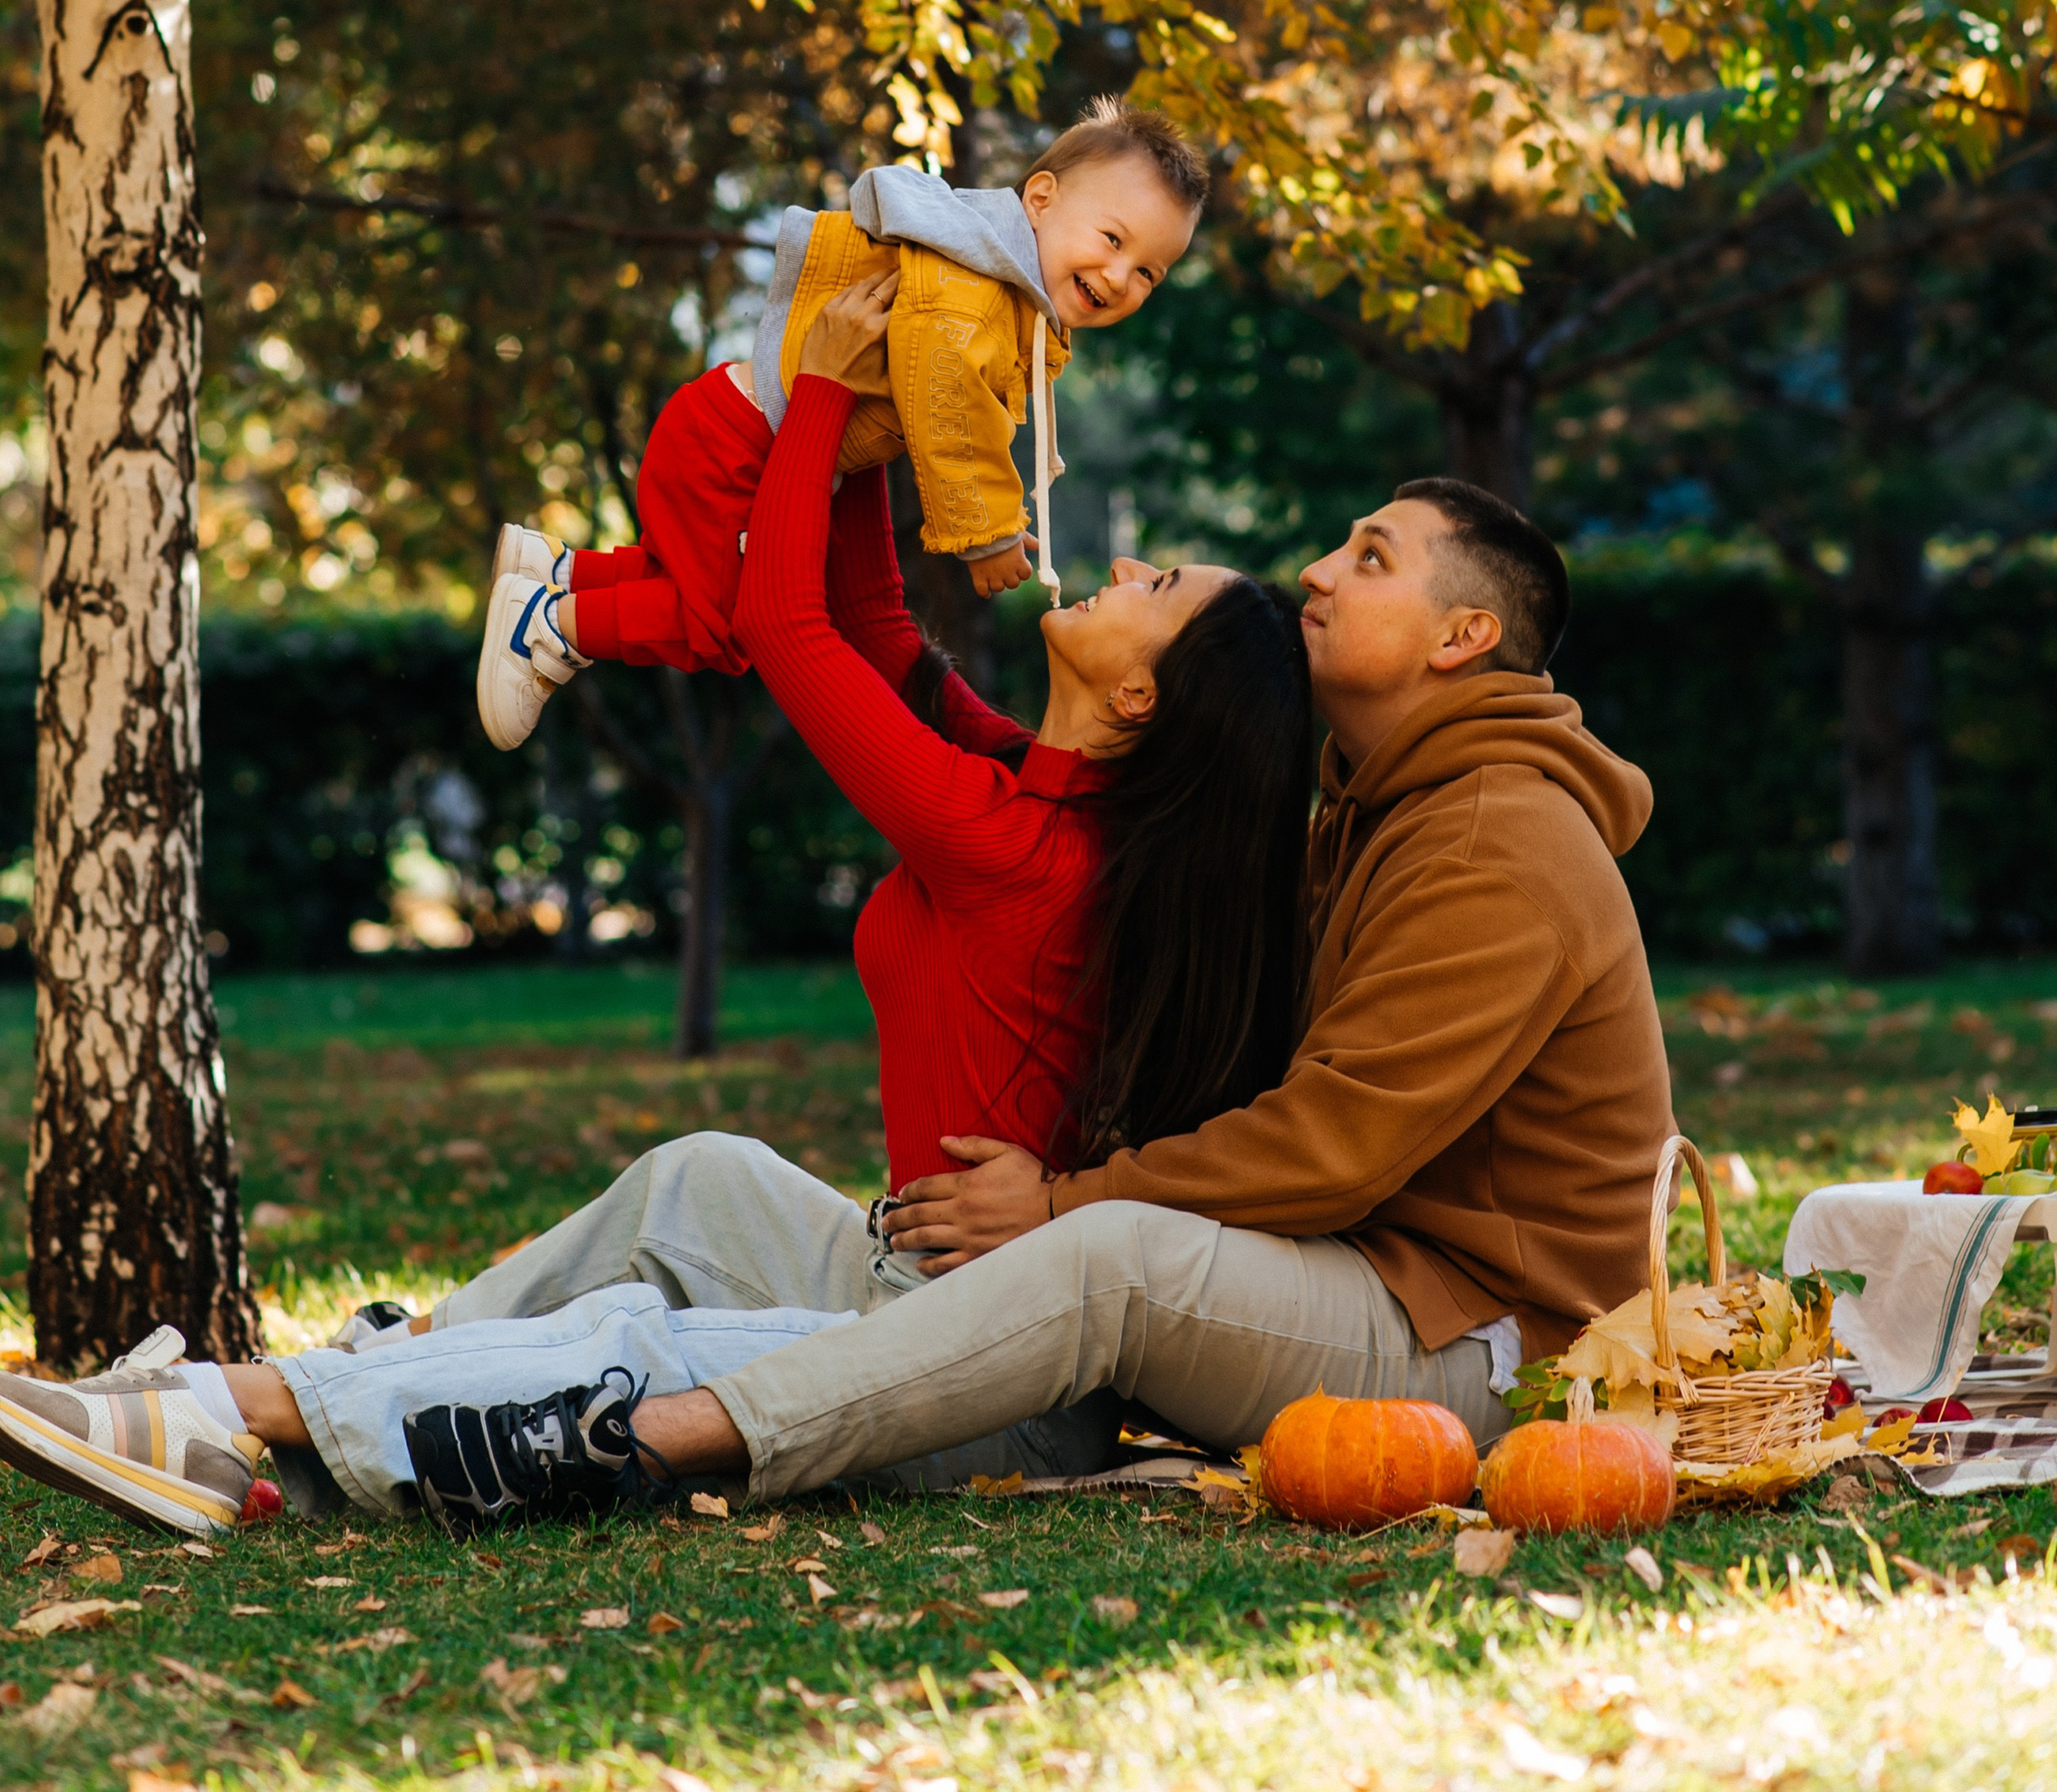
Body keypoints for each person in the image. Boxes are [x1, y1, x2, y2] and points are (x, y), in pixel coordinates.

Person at [0, 277, 1315, 1537]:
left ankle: (211, 1408)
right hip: (918, 1286)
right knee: (700, 1178)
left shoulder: (1011, 839)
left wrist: (830, 398)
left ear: (1142, 701)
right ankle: (333, 1406)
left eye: (1164, 588)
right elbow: (873, 621)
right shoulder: (1032, 788)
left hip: (983, 1386)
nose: (1133, 570)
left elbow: (790, 630)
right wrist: (859, 416)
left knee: (637, 1343)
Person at [378, 471, 1676, 1520]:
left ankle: (631, 1444)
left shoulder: (1500, 838)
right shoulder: (1365, 809)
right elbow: (902, 666)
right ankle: (377, 1366)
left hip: (1499, 1347)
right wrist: (875, 434)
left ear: (1467, 637)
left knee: (1103, 1259)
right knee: (701, 1179)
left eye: (1373, 559)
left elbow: (1333, 1146)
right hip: (1375, 1280)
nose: (1321, 575)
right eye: (1342, 545)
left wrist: (1062, 1200)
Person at [475, 101, 1210, 746]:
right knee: (726, 623)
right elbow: (946, 396)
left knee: (698, 587)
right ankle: (546, 629)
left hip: (735, 430)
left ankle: (563, 572)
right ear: (1041, 198)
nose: (1120, 277)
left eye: (1149, 271)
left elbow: (960, 415)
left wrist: (993, 512)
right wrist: (984, 530)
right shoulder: (977, 290)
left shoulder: (999, 291)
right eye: (1113, 241)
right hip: (739, 445)